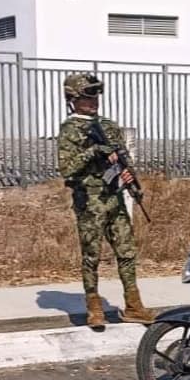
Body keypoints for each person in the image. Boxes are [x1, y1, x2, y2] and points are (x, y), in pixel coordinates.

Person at [57, 73, 153, 329]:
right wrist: (93, 151)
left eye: (95, 96)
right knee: (92, 255)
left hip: (114, 197)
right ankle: (94, 307)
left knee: (127, 252)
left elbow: (123, 157)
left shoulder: (108, 126)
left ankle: (134, 305)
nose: (93, 101)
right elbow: (67, 169)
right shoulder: (70, 129)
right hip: (90, 201)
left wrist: (129, 176)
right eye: (87, 97)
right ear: (73, 99)